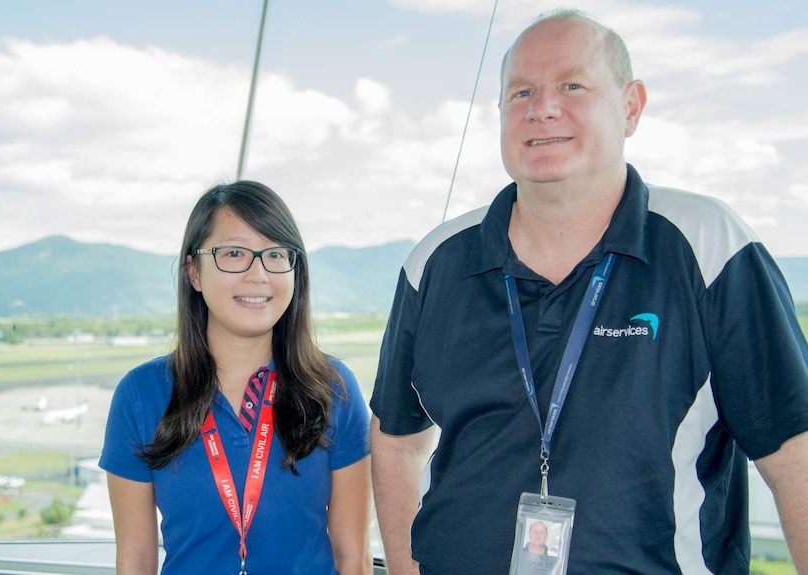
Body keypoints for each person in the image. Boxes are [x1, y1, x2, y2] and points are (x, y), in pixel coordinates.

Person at [370, 8, 808, 575]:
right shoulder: (435, 260)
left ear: (631, 107)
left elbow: (792, 452)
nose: (543, 107)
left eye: (572, 85)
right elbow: (398, 435)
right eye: (521, 91)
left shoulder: (708, 244)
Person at [100, 181, 372, 574]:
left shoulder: (333, 388)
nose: (258, 274)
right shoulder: (141, 395)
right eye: (233, 253)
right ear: (193, 271)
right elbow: (135, 560)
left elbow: (354, 559)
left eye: (275, 254)